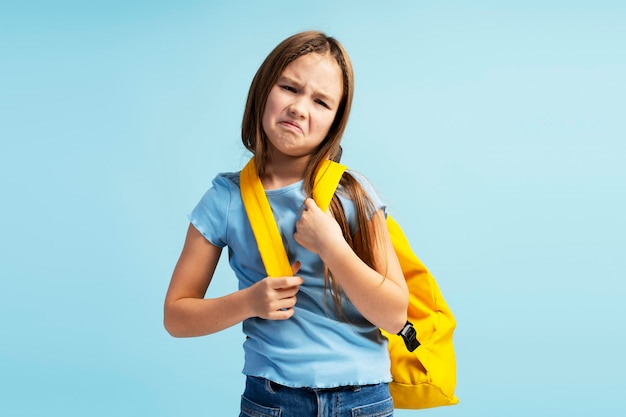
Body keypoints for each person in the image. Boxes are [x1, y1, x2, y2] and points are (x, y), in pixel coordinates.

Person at [164, 30, 409, 417]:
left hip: (364, 399)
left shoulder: (353, 193)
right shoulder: (225, 199)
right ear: (263, 90)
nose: (299, 107)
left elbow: (395, 316)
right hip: (273, 399)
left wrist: (332, 245)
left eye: (321, 102)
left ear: (334, 123)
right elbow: (176, 316)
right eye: (289, 88)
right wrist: (248, 302)